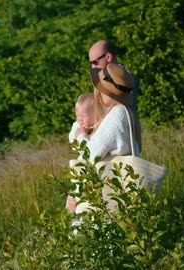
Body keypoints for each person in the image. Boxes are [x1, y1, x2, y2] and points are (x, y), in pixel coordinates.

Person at [67, 63, 141, 214]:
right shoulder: (122, 112)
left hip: (106, 191)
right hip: (109, 188)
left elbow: (91, 153)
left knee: (90, 231)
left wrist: (80, 134)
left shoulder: (117, 115)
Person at [88, 40, 139, 110]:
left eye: (95, 62)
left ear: (108, 57)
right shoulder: (102, 77)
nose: (93, 67)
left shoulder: (124, 77)